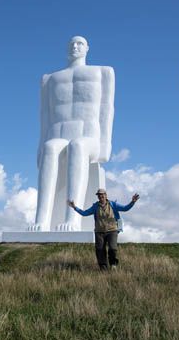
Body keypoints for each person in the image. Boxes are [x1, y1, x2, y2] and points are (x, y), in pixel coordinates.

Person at [29, 36, 115, 232]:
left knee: (78, 145)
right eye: (72, 44)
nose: (75, 47)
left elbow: (106, 109)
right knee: (50, 147)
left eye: (80, 44)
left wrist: (105, 144)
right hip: (58, 134)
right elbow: (45, 115)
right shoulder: (49, 79)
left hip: (89, 136)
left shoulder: (102, 72)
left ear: (87, 48)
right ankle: (41, 219)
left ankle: (73, 218)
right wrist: (40, 147)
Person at [69, 189, 139, 270]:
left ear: (106, 195)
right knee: (99, 249)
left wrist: (132, 202)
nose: (100, 196)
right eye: (99, 195)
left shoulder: (113, 205)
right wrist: (74, 207)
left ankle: (113, 264)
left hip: (112, 230)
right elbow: (85, 213)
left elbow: (125, 208)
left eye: (102, 194)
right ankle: (103, 267)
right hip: (99, 231)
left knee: (113, 248)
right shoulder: (95, 206)